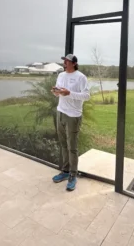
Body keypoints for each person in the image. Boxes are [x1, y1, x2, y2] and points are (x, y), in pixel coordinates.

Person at [51, 54, 90, 191]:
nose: (65, 63)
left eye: (67, 61)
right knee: (63, 144)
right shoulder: (61, 76)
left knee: (72, 146)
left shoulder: (81, 77)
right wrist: (56, 92)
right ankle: (65, 171)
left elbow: (86, 96)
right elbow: (59, 91)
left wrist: (70, 93)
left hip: (73, 115)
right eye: (64, 61)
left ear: (74, 63)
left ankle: (73, 175)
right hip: (60, 112)